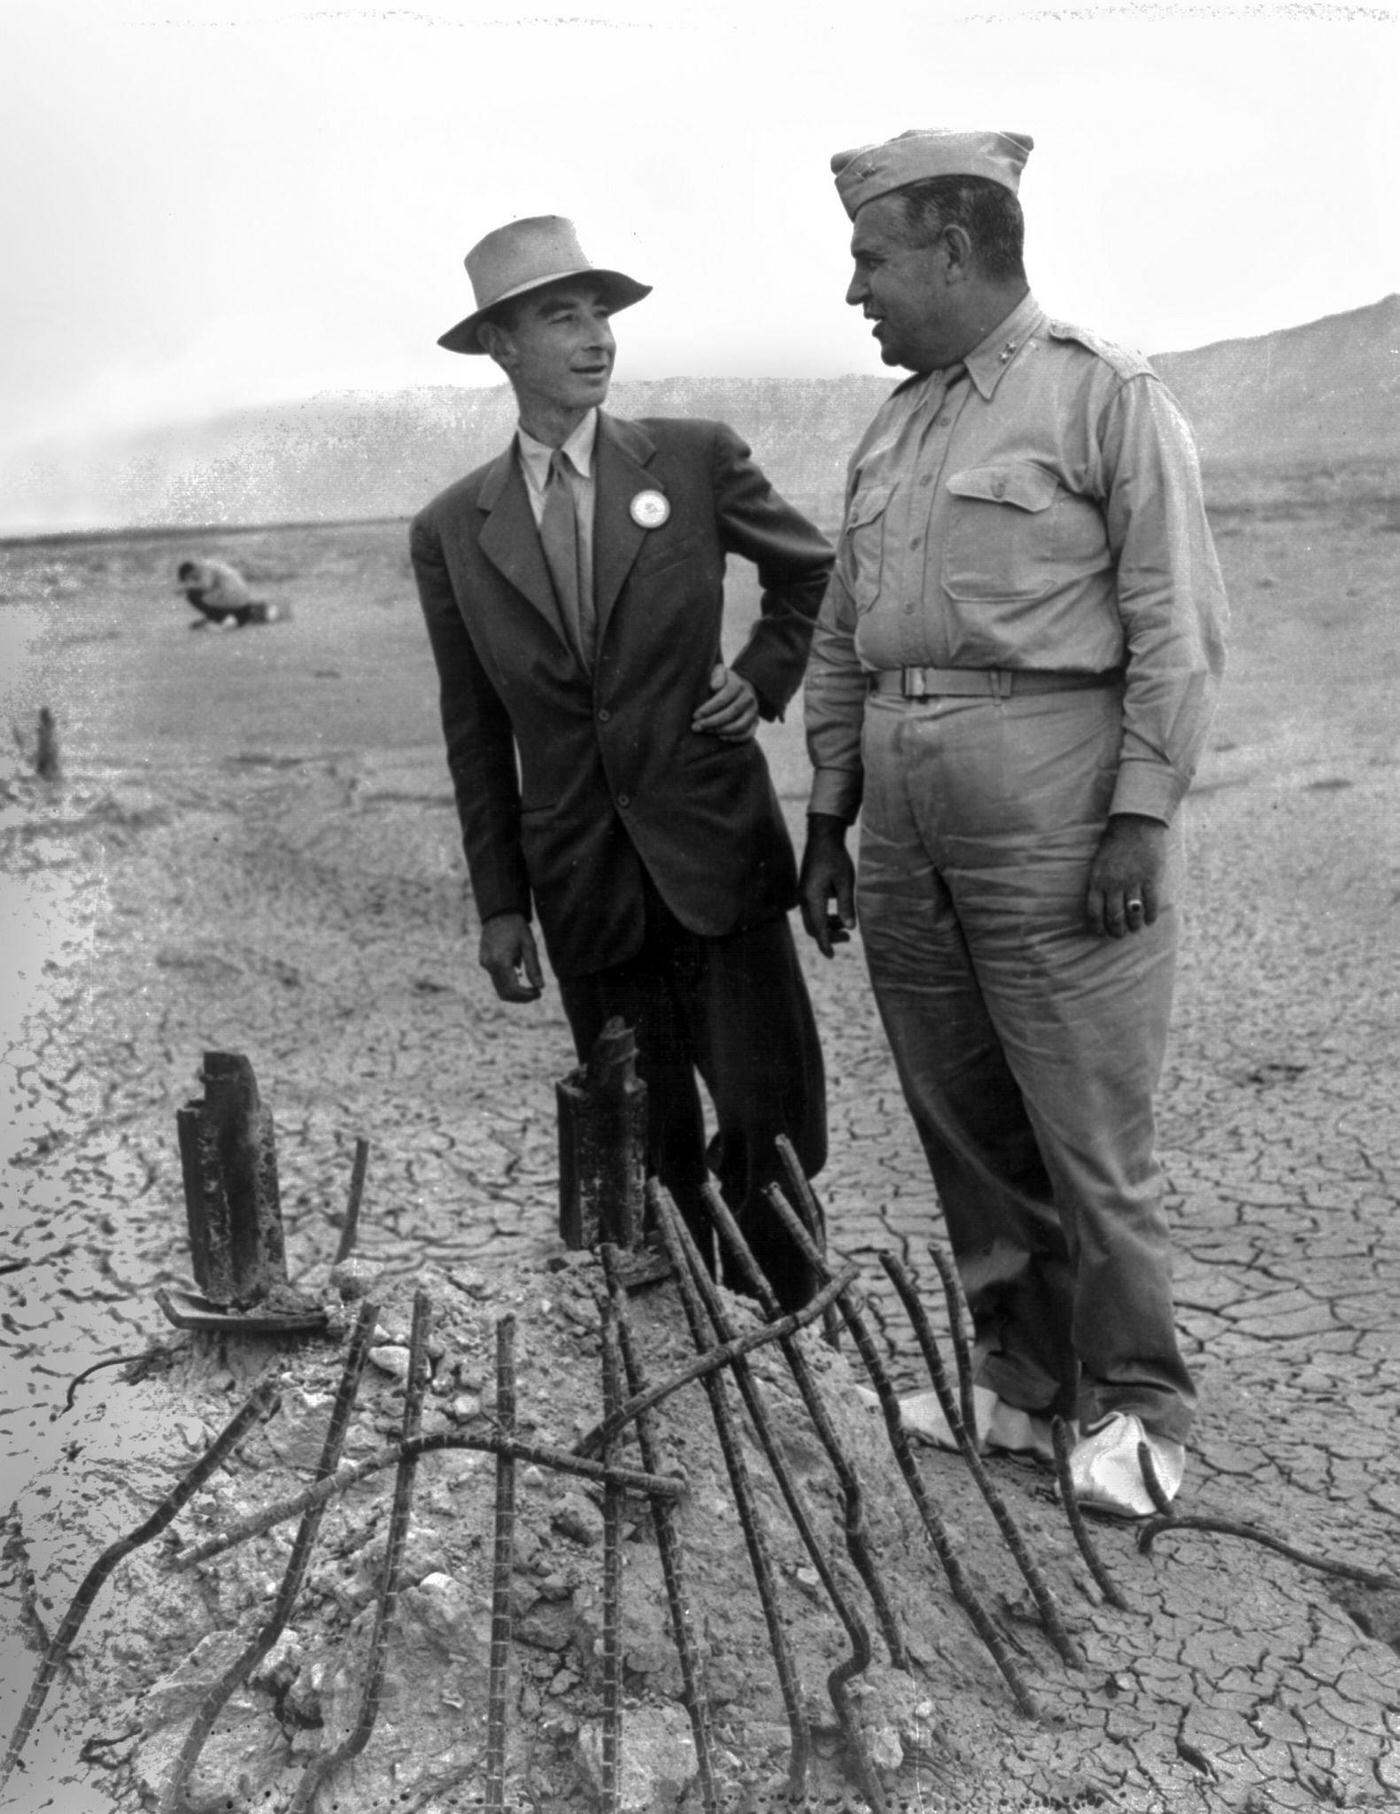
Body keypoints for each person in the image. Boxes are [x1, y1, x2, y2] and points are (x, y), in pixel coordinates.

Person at [800, 131, 1228, 1516]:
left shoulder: (1103, 395)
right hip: (907, 827)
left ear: (953, 249)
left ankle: (1145, 1411)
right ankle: (1025, 1383)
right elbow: (841, 631)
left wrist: (1140, 816)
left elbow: (1179, 622)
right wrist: (829, 808)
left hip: (1056, 810)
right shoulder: (897, 425)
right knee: (962, 1114)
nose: (855, 288)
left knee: (1088, 1124)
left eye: (871, 258)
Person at [410, 216, 832, 1310]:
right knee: (642, 1146)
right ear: (501, 346)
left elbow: (812, 577)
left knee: (770, 1131)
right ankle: (681, 1363)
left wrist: (762, 673)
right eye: (561, 315)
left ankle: (785, 1348)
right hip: (584, 888)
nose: (595, 334)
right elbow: (473, 725)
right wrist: (501, 901)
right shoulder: (454, 526)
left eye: (600, 310)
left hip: (716, 860)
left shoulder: (690, 459)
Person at [175, 559, 283, 628]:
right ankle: (262, 611)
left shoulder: (203, 569)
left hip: (231, 597)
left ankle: (223, 618)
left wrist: (186, 587)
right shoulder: (212, 563)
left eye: (189, 578)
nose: (191, 581)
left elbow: (206, 585)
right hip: (242, 597)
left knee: (192, 595)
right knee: (240, 618)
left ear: (190, 572)